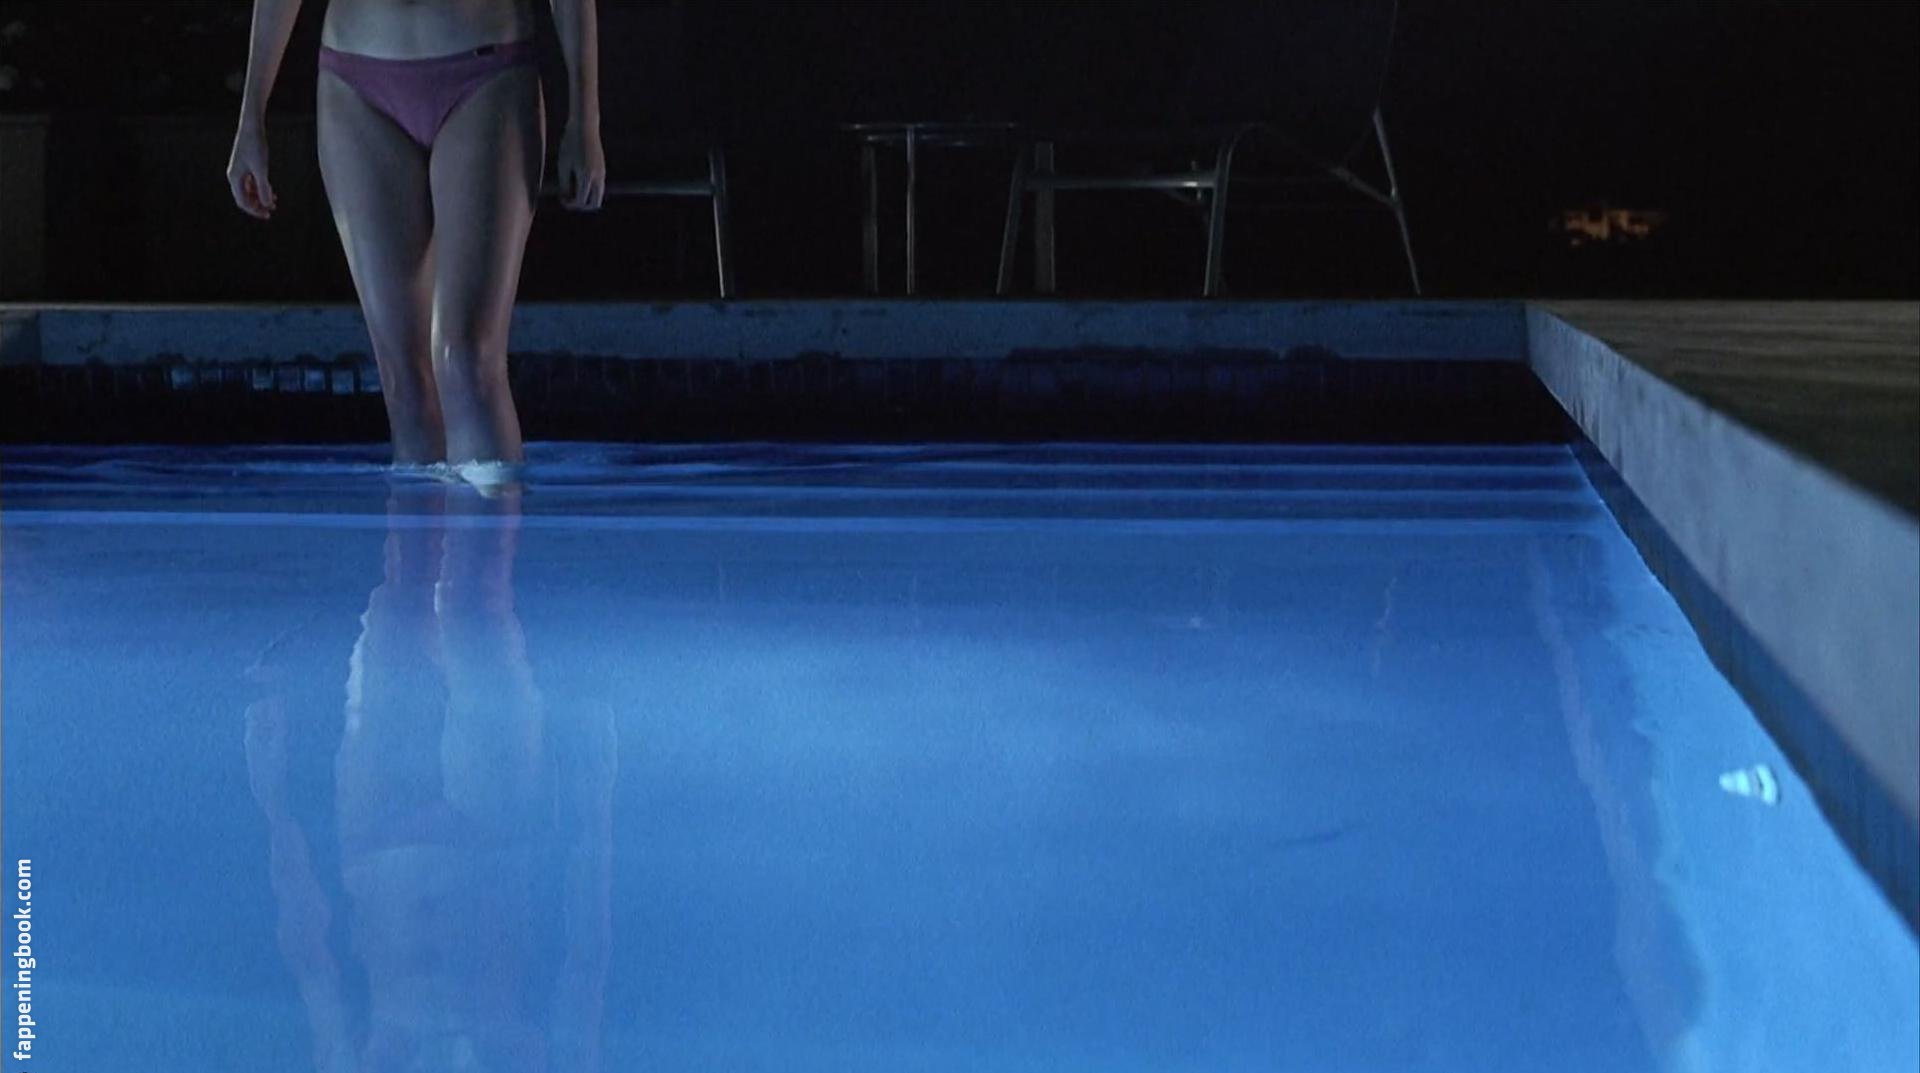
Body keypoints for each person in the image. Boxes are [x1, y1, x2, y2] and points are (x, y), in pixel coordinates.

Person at [226, 0, 606, 491]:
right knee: (404, 380)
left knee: (467, 358)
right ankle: (419, 541)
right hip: (356, 83)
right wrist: (251, 118)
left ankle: (493, 532)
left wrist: (584, 120)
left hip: (486, 73)